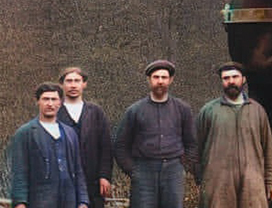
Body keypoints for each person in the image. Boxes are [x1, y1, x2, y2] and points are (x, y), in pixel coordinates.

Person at [114, 59, 197, 208]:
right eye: (156, 77)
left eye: (164, 77)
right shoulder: (135, 111)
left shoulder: (182, 109)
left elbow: (192, 143)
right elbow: (120, 145)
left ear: (170, 80)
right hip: (144, 171)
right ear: (149, 80)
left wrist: (183, 167)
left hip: (173, 170)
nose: (160, 81)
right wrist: (133, 171)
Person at [196, 61, 272, 208]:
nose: (231, 81)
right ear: (222, 81)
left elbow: (268, 149)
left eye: (235, 77)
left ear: (243, 79)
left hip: (252, 182)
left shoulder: (257, 111)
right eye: (226, 78)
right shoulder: (209, 111)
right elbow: (197, 149)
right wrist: (201, 179)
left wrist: (270, 181)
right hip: (218, 182)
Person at [10, 82, 90, 208]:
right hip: (40, 200)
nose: (50, 104)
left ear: (60, 103)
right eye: (45, 99)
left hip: (69, 201)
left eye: (54, 99)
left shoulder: (70, 133)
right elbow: (20, 172)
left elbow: (78, 170)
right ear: (38, 102)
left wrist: (83, 201)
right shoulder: (25, 133)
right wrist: (20, 203)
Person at [57, 67, 113, 208]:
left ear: (84, 84)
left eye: (77, 81)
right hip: (63, 181)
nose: (73, 85)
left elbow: (106, 147)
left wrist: (104, 176)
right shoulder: (56, 112)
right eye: (69, 81)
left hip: (92, 181)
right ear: (62, 85)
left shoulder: (95, 112)